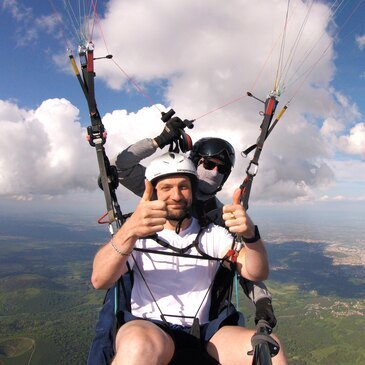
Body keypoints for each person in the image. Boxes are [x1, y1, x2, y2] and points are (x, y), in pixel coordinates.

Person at [91, 152, 287, 365]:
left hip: (206, 334)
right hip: (149, 328)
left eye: (183, 186)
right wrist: (129, 230)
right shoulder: (136, 235)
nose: (176, 195)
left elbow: (257, 272)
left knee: (269, 350)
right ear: (153, 192)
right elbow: (100, 280)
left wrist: (251, 236)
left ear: (192, 190)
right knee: (138, 345)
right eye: (166, 188)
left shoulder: (214, 234)